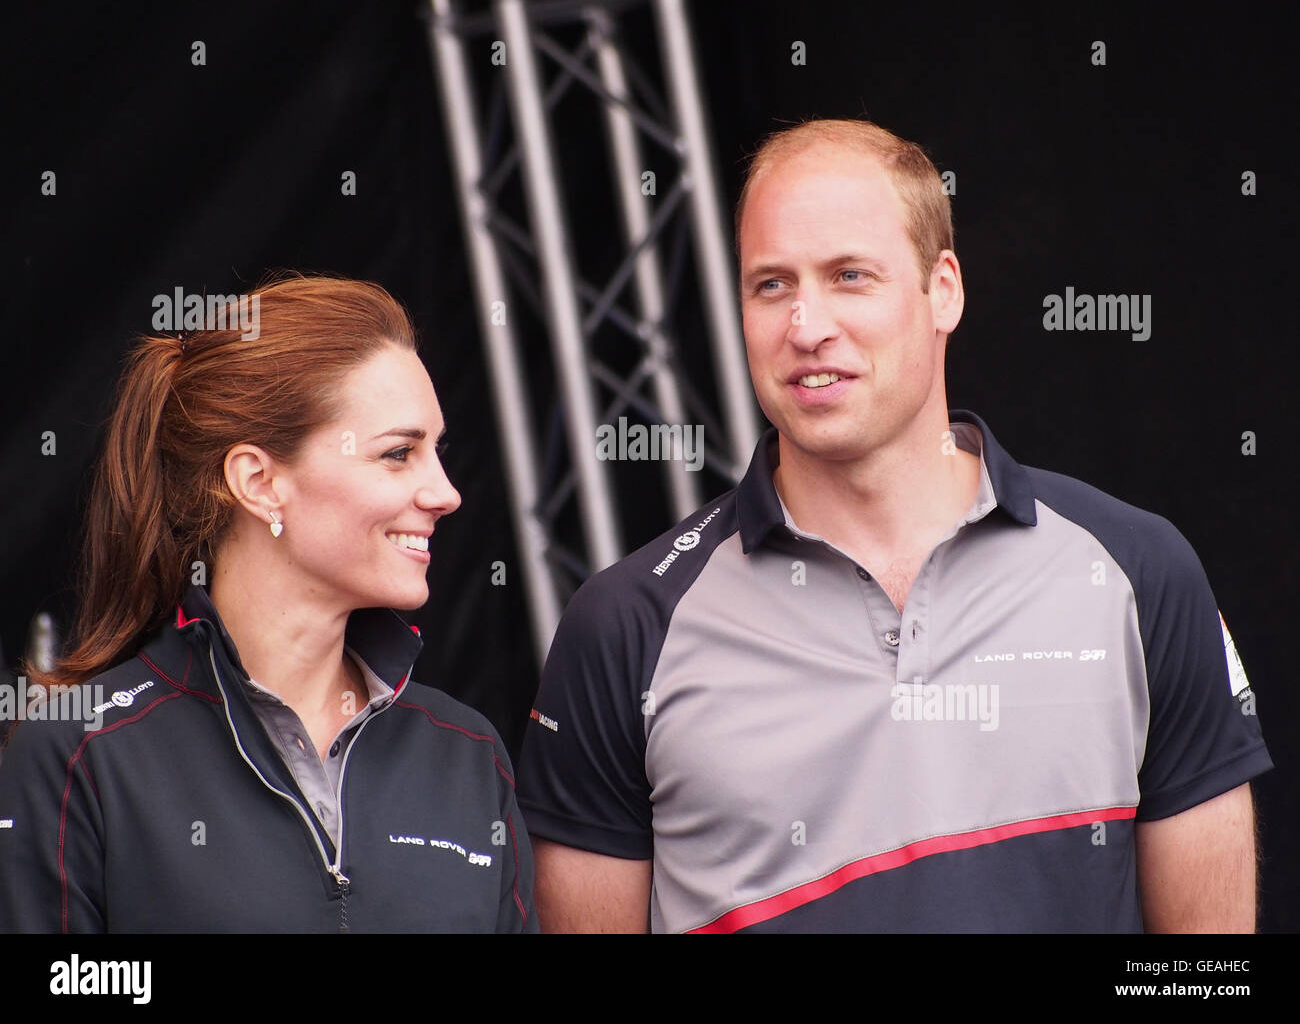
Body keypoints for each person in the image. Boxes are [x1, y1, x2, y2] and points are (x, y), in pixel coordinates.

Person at [515, 119, 1272, 933]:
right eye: (771, 284)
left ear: (943, 288)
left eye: (849, 275)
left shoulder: (1135, 570)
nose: (806, 326)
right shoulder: (625, 627)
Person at [0, 274, 536, 933]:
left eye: (437, 451)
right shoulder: (83, 754)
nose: (446, 492)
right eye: (398, 453)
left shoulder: (466, 753)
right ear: (259, 481)